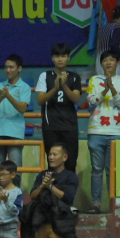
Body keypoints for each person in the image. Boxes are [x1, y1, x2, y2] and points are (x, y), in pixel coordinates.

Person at [86, 52, 120, 214]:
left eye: (112, 59)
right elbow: (91, 102)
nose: (108, 62)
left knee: (113, 169)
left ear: (118, 63)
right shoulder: (94, 80)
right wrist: (104, 90)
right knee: (96, 169)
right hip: (96, 130)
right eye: (105, 60)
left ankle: (114, 203)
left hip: (115, 130)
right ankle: (96, 203)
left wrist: (112, 87)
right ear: (101, 64)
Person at [35, 44, 82, 173]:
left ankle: (68, 193)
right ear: (52, 58)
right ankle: (52, 192)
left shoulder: (74, 77)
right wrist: (55, 88)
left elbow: (76, 99)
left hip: (69, 126)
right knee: (53, 164)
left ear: (68, 58)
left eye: (63, 56)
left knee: (71, 162)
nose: (60, 59)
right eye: (57, 56)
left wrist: (64, 86)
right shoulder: (44, 76)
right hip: (51, 126)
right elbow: (40, 100)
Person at [0, 55, 32, 171]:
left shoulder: (25, 87)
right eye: (6, 67)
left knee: (15, 170)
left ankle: (15, 190)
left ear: (19, 68)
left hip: (16, 133)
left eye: (11, 67)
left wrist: (8, 96)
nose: (8, 70)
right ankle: (0, 189)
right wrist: (1, 98)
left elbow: (22, 108)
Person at [96, 6, 120, 77]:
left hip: (101, 60)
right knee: (114, 83)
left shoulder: (105, 27)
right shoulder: (118, 28)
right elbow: (113, 45)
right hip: (112, 61)